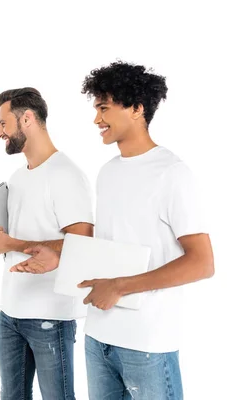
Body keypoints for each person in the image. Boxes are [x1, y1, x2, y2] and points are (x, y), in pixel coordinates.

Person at [12, 61, 215, 399]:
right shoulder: (107, 172)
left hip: (147, 344)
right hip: (99, 338)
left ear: (137, 109)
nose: (96, 120)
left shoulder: (173, 174)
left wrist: (121, 286)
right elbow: (107, 250)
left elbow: (202, 263)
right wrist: (59, 256)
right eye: (96, 109)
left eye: (104, 108)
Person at [0, 88, 94, 400]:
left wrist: (12, 241)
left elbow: (82, 243)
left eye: (4, 124)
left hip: (50, 316)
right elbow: (22, 237)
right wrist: (0, 238)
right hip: (10, 311)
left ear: (26, 119)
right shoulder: (17, 176)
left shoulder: (66, 175)